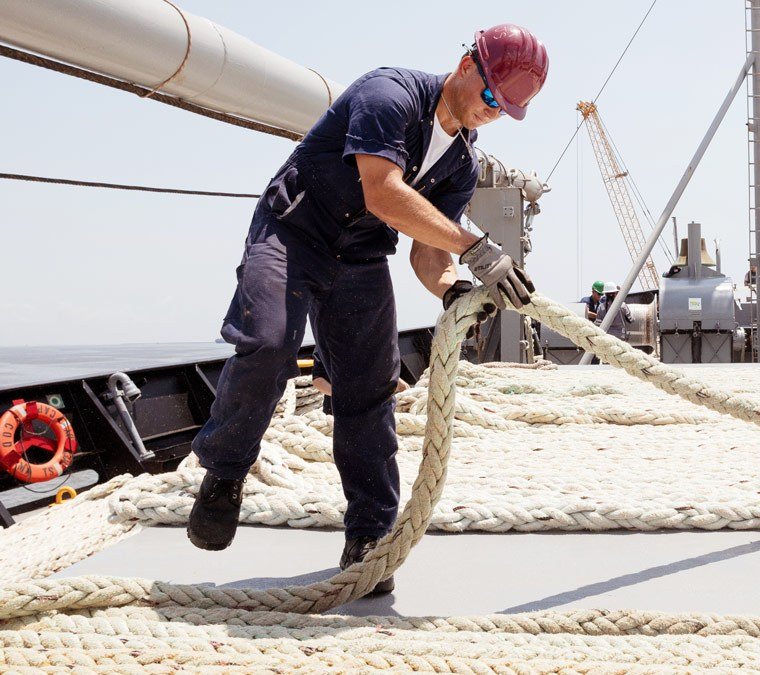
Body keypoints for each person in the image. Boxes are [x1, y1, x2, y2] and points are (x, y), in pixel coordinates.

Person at [186, 24, 549, 595]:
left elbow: (429, 256)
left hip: (358, 257)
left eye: (503, 110)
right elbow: (383, 192)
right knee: (269, 342)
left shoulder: (459, 167)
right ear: (466, 65)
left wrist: (453, 290)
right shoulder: (391, 95)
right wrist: (476, 247)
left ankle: (369, 536)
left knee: (368, 387)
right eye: (488, 97)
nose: (489, 113)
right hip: (293, 232)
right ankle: (225, 473)